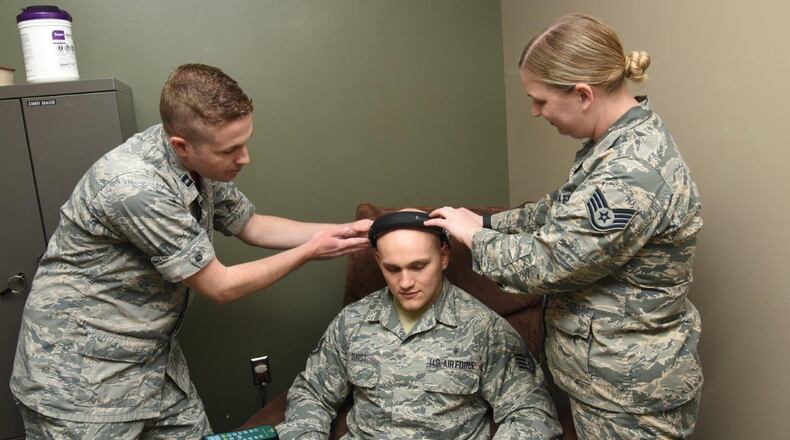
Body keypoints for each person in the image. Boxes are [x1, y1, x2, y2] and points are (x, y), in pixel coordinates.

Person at [10, 63, 371, 439]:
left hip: (151, 364)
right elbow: (220, 286)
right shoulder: (134, 186)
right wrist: (310, 251)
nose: (244, 158)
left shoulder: (198, 162)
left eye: (245, 142)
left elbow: (252, 225)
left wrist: (342, 231)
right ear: (182, 144)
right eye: (231, 149)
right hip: (79, 381)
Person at [426, 13, 703, 439]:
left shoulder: (631, 172)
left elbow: (546, 265)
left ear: (583, 94)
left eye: (540, 100)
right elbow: (557, 211)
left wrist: (475, 238)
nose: (536, 112)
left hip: (629, 396)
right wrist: (485, 220)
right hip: (604, 381)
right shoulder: (611, 147)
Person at [276, 211, 562, 440]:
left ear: (444, 257)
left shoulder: (483, 328)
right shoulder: (352, 322)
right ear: (378, 261)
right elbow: (312, 394)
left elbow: (532, 411)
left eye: (418, 266)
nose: (406, 283)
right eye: (392, 269)